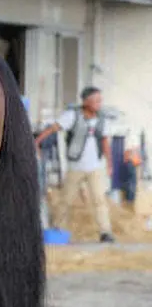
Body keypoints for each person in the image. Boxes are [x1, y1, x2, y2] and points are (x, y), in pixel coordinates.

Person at [34, 86, 115, 243]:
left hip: (95, 167)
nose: (99, 103)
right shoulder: (72, 116)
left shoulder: (102, 119)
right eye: (96, 100)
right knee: (66, 200)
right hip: (75, 167)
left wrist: (109, 164)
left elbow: (105, 142)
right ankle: (57, 229)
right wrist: (37, 141)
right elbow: (53, 128)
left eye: (100, 100)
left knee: (100, 200)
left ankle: (106, 232)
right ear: (86, 102)